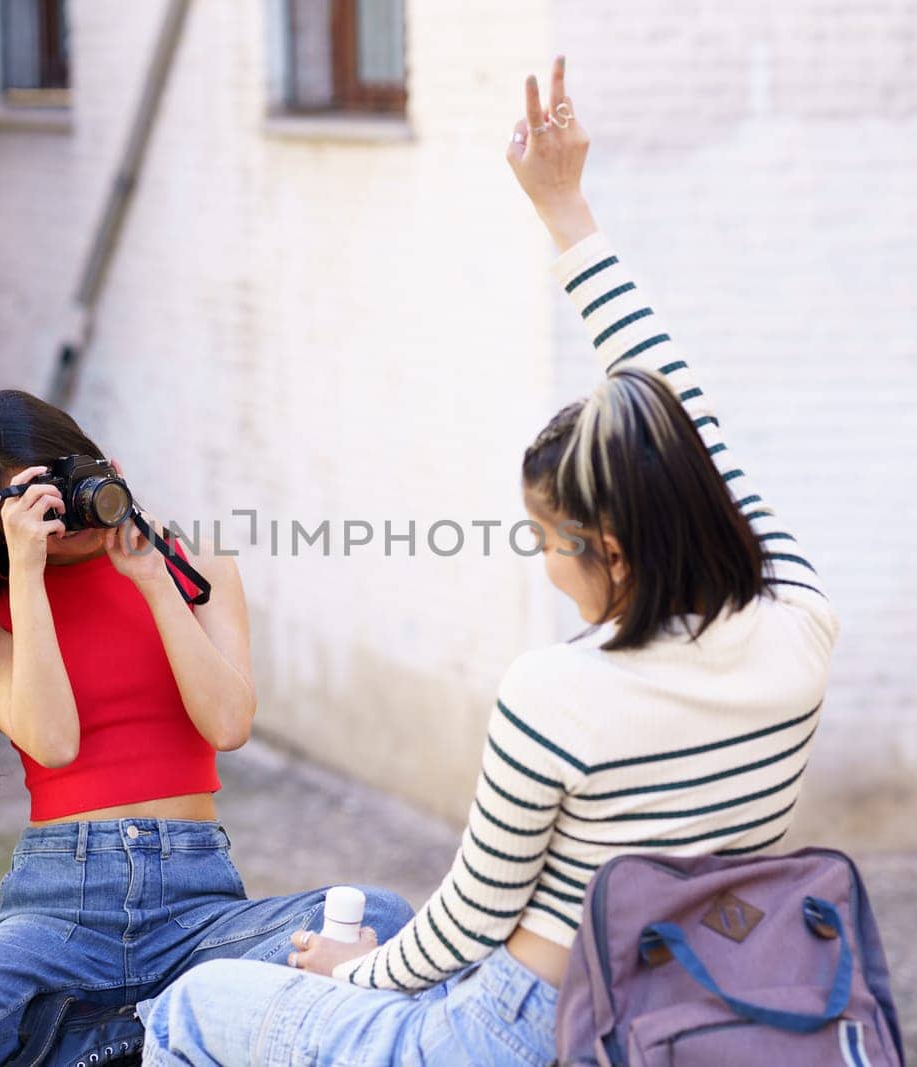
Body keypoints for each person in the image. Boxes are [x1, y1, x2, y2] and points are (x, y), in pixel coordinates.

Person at [133, 55, 841, 1066]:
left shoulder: (558, 691)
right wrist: (566, 211)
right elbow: (694, 421)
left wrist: (350, 973)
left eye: (550, 540)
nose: (542, 558)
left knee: (194, 1006)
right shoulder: (801, 618)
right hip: (680, 1008)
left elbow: (471, 915)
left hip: (520, 1026)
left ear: (609, 554)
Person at [0, 389, 415, 1065]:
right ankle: (170, 1022)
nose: (66, 508)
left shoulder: (195, 564)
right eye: (37, 503)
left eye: (69, 476)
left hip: (198, 910)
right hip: (58, 913)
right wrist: (27, 572)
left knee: (379, 920)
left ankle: (96, 1033)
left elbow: (230, 722)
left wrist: (153, 578)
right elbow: (54, 741)